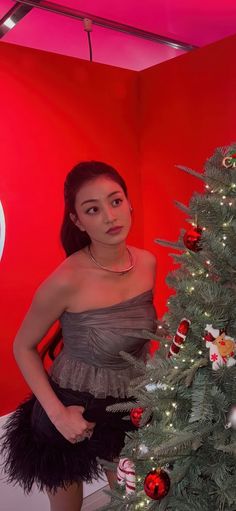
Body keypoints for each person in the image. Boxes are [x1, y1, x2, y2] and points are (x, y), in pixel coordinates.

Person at [1, 161, 157, 511]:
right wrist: (58, 415)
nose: (109, 216)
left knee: (135, 500)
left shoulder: (147, 263)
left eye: (115, 201)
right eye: (92, 209)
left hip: (127, 400)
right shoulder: (65, 280)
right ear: (77, 221)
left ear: (129, 203)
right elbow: (22, 346)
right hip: (71, 402)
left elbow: (141, 329)